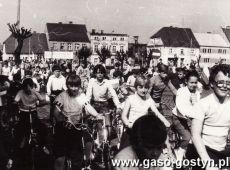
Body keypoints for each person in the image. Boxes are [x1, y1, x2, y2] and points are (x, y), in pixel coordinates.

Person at [53, 74, 103, 170]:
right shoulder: (62, 96)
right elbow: (56, 111)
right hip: (63, 128)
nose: (74, 88)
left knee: (77, 157)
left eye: (76, 86)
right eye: (71, 86)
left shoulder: (81, 96)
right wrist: (62, 120)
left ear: (80, 86)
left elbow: (88, 107)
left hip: (76, 128)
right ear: (67, 85)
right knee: (60, 158)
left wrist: (97, 115)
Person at [186, 64, 230, 170]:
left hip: (222, 151)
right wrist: (208, 163)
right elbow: (195, 135)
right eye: (220, 82)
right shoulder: (203, 104)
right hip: (203, 150)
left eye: (228, 83)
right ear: (211, 84)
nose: (224, 86)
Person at [121, 75, 170, 150]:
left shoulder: (149, 100)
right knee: (126, 151)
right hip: (132, 128)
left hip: (143, 129)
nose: (143, 90)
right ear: (136, 87)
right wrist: (128, 124)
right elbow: (124, 116)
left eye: (146, 87)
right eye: (140, 87)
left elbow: (157, 113)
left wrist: (165, 121)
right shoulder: (130, 99)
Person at [14, 78, 49, 168]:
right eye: (26, 88)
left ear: (32, 86)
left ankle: (43, 145)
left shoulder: (34, 91)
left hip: (33, 113)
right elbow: (16, 100)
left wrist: (38, 103)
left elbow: (42, 100)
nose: (28, 90)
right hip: (23, 113)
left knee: (42, 128)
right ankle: (21, 142)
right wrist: (18, 103)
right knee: (19, 129)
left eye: (29, 87)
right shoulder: (21, 92)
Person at [86, 64, 121, 147]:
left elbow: (113, 95)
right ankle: (93, 142)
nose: (100, 75)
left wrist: (118, 106)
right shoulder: (92, 81)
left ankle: (108, 144)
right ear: (95, 73)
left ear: (104, 74)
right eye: (98, 73)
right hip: (94, 104)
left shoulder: (107, 82)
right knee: (92, 124)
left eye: (101, 73)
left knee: (108, 125)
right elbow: (88, 95)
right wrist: (87, 106)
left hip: (104, 105)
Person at [171, 70, 200, 161]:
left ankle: (191, 152)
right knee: (187, 137)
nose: (194, 85)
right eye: (191, 82)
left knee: (197, 135)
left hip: (190, 118)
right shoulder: (181, 91)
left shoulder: (197, 93)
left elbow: (197, 106)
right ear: (186, 82)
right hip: (178, 117)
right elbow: (180, 107)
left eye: (195, 82)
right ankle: (179, 152)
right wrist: (189, 115)